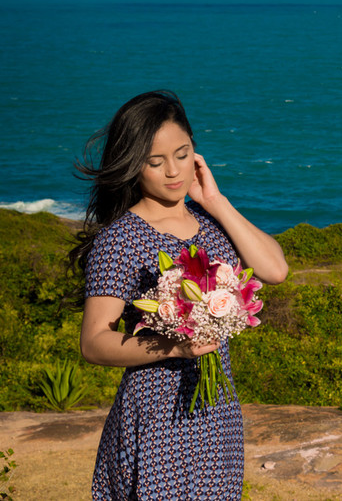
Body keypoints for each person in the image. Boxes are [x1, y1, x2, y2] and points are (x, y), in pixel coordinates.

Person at [71, 90, 289, 501]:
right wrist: (174, 346)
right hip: (158, 418)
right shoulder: (121, 239)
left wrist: (217, 202)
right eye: (155, 162)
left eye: (183, 154)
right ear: (134, 165)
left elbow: (275, 269)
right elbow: (93, 342)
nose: (173, 171)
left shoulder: (210, 220)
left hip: (216, 413)